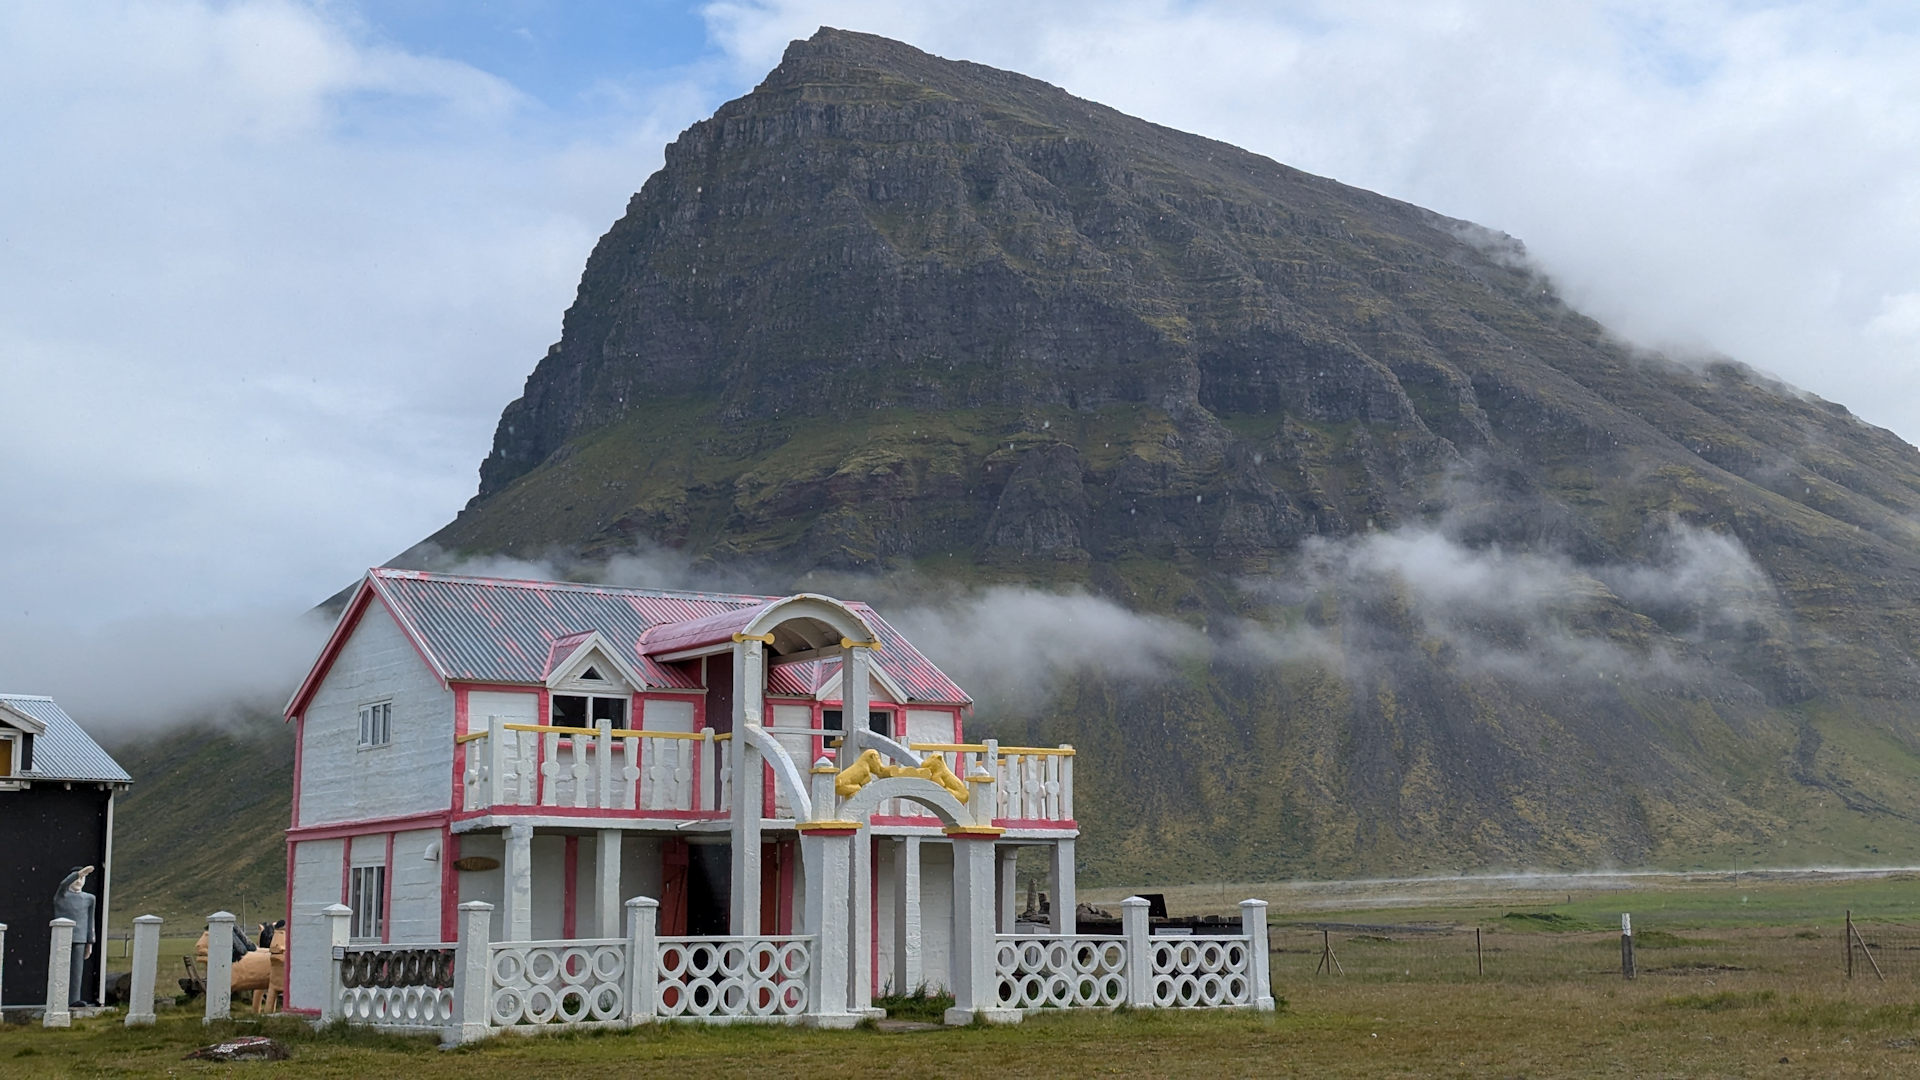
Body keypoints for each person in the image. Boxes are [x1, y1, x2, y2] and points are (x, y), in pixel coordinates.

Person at [52, 866, 96, 1007]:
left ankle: (74, 999)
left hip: (80, 938)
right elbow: (62, 885)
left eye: (82, 878)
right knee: (60, 968)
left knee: (77, 970)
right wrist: (79, 873)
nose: (79, 880)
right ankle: (58, 998)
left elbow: (90, 921)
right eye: (77, 878)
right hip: (62, 937)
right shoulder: (62, 895)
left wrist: (90, 941)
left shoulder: (89, 899)